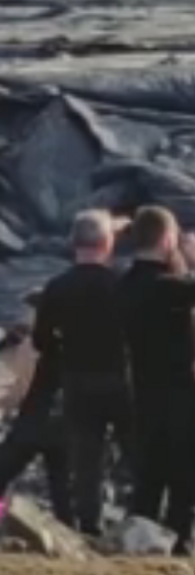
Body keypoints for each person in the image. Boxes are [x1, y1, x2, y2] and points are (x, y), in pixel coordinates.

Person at [119, 206, 195, 552]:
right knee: (187, 492)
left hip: (144, 395)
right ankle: (183, 552)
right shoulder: (171, 287)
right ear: (168, 239)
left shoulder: (123, 286)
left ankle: (140, 549)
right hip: (185, 397)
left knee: (148, 486)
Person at [32, 211, 132, 534]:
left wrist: (62, 357)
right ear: (108, 242)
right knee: (134, 449)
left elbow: (41, 339)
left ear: (74, 243)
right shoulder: (120, 284)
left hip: (77, 379)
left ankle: (90, 523)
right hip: (120, 377)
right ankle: (144, 517)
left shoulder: (57, 286)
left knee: (87, 457)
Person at [0, 294, 71, 524]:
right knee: (63, 486)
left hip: (32, 420)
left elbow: (18, 388)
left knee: (3, 474)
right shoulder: (79, 342)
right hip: (65, 423)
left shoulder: (30, 345)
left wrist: (6, 404)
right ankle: (70, 532)